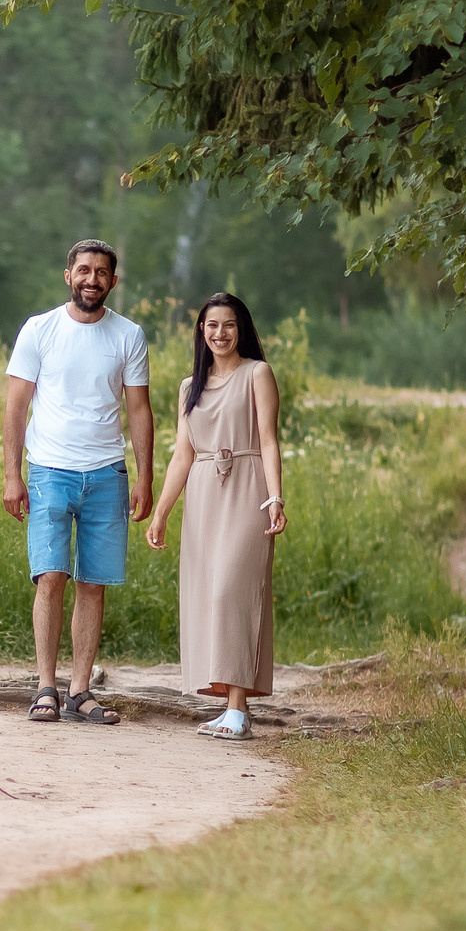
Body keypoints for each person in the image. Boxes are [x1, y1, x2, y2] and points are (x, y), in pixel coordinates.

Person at [1, 240, 155, 724]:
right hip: (49, 470)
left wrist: (145, 477)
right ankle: (45, 687)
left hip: (107, 472)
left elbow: (138, 410)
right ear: (68, 275)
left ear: (113, 281)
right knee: (50, 577)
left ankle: (81, 691)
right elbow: (15, 407)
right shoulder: (40, 330)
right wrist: (12, 474)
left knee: (93, 584)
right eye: (84, 270)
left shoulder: (128, 335)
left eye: (102, 272)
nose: (92, 279)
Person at [146, 291, 286, 740]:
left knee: (234, 590)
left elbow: (268, 440)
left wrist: (276, 497)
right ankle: (229, 704)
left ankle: (240, 711)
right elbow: (181, 456)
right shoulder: (190, 387)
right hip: (204, 493)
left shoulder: (257, 373)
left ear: (240, 328)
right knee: (210, 595)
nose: (219, 333)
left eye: (228, 324)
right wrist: (161, 512)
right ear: (201, 332)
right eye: (211, 325)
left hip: (248, 489)